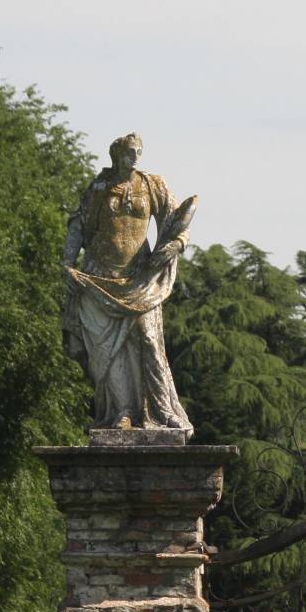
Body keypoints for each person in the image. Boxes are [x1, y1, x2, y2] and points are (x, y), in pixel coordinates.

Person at [62, 133, 195, 434]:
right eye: (129, 152)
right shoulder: (99, 187)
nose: (135, 157)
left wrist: (178, 243)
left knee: (149, 341)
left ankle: (163, 411)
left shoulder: (152, 185)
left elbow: (177, 219)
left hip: (139, 278)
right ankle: (121, 412)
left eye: (139, 152)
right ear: (117, 155)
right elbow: (78, 225)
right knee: (107, 351)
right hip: (100, 277)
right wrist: (68, 263)